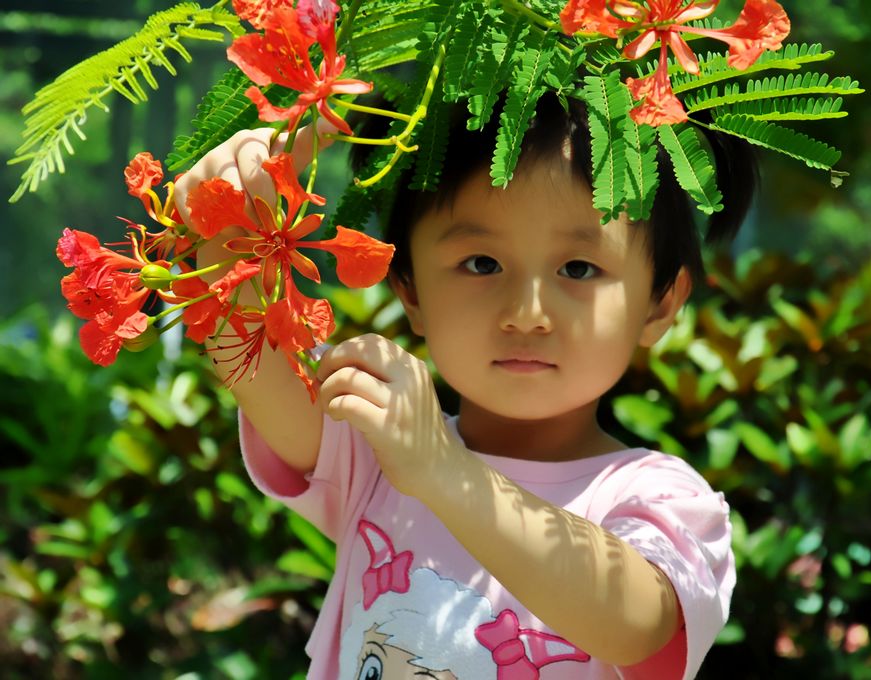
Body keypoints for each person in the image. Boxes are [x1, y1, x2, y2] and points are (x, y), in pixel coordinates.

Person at [174, 93, 757, 679]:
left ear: (661, 303)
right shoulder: (376, 449)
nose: (527, 314)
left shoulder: (660, 498)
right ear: (409, 289)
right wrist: (226, 218)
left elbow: (635, 622)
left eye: (578, 269)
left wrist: (443, 469)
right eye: (482, 263)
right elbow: (246, 345)